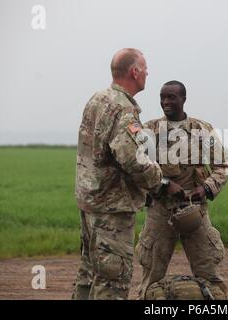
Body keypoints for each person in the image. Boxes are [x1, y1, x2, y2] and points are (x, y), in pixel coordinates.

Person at [72, 48, 165, 300]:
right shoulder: (124, 109)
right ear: (134, 72)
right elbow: (131, 158)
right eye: (145, 68)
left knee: (88, 275)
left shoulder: (98, 99)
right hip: (112, 209)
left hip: (90, 202)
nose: (147, 73)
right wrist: (159, 181)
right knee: (112, 281)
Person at [135, 80, 228, 299]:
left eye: (171, 97)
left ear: (183, 99)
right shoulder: (149, 130)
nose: (165, 102)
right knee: (151, 276)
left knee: (209, 273)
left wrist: (206, 189)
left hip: (195, 211)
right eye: (162, 97)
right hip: (160, 211)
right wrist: (165, 185)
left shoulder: (201, 129)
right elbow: (137, 168)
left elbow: (223, 166)